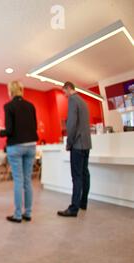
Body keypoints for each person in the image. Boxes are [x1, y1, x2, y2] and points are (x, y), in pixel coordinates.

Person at [0, 81, 38, 223]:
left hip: (16, 147)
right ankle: (28, 213)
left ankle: (18, 215)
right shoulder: (31, 106)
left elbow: (9, 130)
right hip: (31, 145)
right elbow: (34, 126)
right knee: (27, 181)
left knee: (18, 181)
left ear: (10, 91)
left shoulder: (9, 106)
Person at [57, 82, 92, 217]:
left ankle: (73, 208)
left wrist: (69, 142)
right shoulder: (83, 101)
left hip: (77, 145)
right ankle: (83, 203)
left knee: (76, 176)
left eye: (64, 92)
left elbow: (71, 124)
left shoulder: (72, 100)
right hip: (86, 144)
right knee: (84, 174)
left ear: (68, 88)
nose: (64, 95)